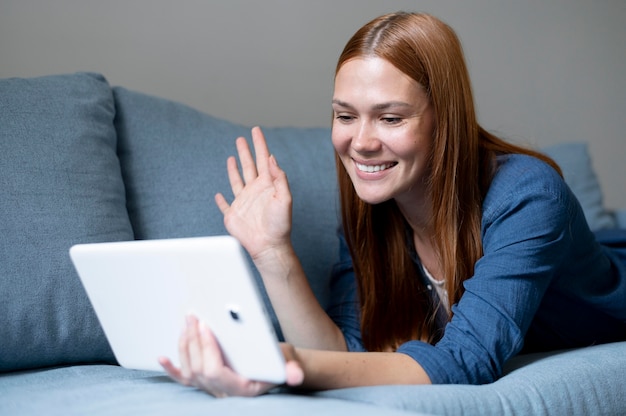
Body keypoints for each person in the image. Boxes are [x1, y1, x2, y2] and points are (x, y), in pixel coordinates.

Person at [159, 11, 626, 396]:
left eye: (390, 117)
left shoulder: (529, 194)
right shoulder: (372, 201)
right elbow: (351, 355)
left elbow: (466, 361)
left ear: (446, 122)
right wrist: (272, 252)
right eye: (345, 115)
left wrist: (285, 363)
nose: (360, 143)